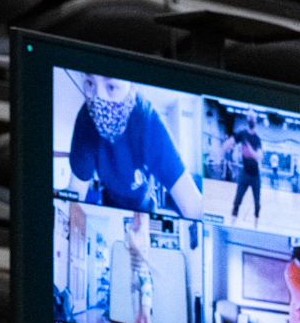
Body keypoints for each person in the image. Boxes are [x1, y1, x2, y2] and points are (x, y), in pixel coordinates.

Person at [67, 75, 201, 219]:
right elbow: (75, 194)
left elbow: (191, 203)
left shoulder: (147, 121)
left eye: (111, 87)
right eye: (90, 83)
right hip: (109, 206)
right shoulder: (86, 121)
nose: (97, 99)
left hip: (145, 211)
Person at [123, 212, 154, 323]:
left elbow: (143, 252)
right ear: (133, 217)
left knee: (146, 315)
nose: (140, 218)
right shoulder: (129, 234)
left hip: (146, 278)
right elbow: (137, 249)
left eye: (143, 216)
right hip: (135, 280)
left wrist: (150, 266)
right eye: (138, 216)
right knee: (138, 321)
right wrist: (152, 265)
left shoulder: (146, 236)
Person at [229, 118, 263, 225]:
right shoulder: (242, 135)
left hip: (255, 176)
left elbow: (259, 156)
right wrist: (227, 144)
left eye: (254, 118)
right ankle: (233, 220)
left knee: (257, 202)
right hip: (244, 174)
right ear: (248, 121)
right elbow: (231, 141)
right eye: (250, 117)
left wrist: (250, 150)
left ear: (255, 123)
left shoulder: (257, 139)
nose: (252, 120)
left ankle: (256, 223)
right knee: (237, 199)